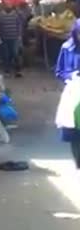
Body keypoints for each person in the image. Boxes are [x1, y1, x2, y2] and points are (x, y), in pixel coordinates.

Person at [56, 19, 80, 170]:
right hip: (73, 95)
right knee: (74, 130)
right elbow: (60, 71)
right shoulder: (66, 48)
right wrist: (70, 76)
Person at [0, 4, 22, 77]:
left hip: (14, 38)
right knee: (6, 55)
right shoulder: (1, 16)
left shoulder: (16, 15)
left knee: (15, 53)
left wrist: (19, 35)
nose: (8, 7)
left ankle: (17, 70)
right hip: (5, 38)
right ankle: (7, 70)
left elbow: (19, 25)